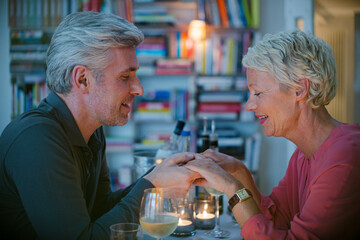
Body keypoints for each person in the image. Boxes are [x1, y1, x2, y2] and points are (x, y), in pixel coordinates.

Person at [0, 12, 198, 240]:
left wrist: (158, 178)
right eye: (125, 77)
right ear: (82, 79)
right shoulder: (37, 139)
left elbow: (100, 211)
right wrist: (151, 186)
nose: (139, 89)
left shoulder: (92, 131)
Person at [186, 30, 360, 239]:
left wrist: (232, 188)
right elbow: (275, 219)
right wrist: (239, 172)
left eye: (257, 93)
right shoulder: (303, 155)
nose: (249, 105)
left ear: (299, 90)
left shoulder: (345, 158)